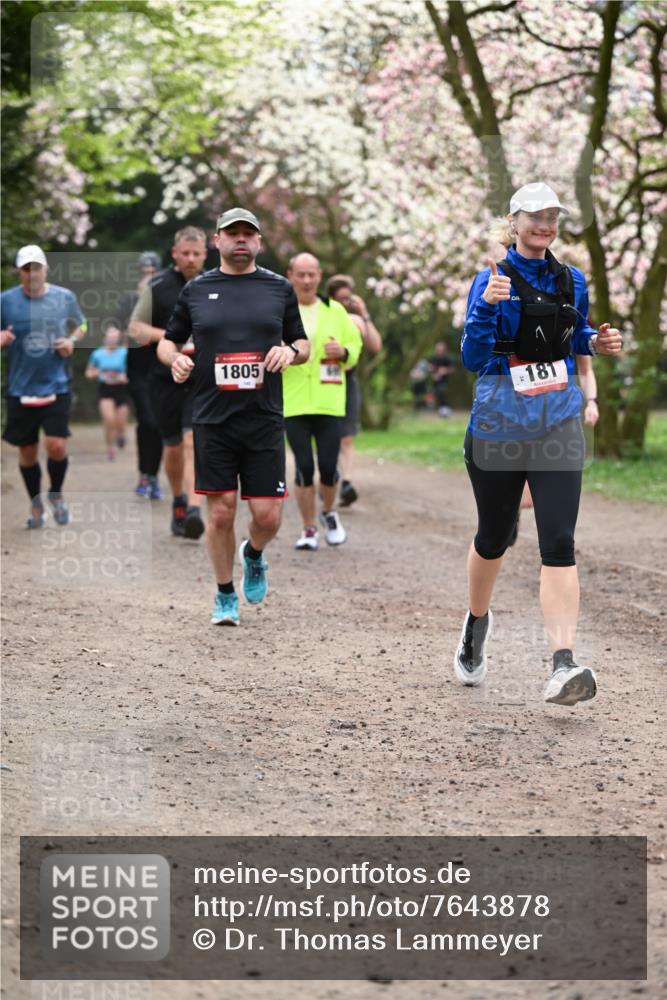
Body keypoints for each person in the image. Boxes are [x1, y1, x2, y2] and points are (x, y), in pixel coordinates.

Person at [455, 182, 622, 707]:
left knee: (558, 541)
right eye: (534, 216)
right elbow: (472, 356)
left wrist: (596, 341)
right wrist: (486, 306)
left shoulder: (572, 279)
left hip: (558, 424)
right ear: (514, 221)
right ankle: (476, 623)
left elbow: (570, 337)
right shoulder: (492, 279)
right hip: (500, 427)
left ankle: (562, 664)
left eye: (552, 216)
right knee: (495, 535)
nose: (544, 225)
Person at [157, 207, 310, 625]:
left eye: (248, 233)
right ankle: (225, 593)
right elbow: (167, 343)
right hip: (212, 417)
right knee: (221, 510)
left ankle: (253, 554)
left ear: (258, 242)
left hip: (262, 417)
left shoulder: (279, 288)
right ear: (217, 240)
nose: (240, 239)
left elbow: (302, 342)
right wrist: (174, 360)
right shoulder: (197, 289)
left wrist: (290, 351)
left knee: (268, 516)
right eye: (232, 233)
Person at [1, 244, 86, 527]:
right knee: (26, 452)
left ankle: (57, 495)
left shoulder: (64, 297)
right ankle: (35, 504)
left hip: (56, 383)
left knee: (56, 445)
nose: (31, 274)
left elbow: (82, 325)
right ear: (18, 273)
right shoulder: (6, 301)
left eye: (36, 268)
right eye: (26, 269)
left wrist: (71, 341)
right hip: (20, 387)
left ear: (46, 269)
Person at [129, 228, 207, 537]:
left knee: (193, 440)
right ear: (174, 253)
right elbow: (136, 329)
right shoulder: (157, 285)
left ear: (205, 254)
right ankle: (178, 499)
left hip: (202, 377)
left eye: (196, 254)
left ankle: (194, 509)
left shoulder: (215, 284)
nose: (190, 259)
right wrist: (172, 337)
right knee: (173, 445)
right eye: (185, 253)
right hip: (164, 376)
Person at [284, 254, 362, 549]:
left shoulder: (336, 310)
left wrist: (342, 351)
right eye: (300, 274)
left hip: (329, 400)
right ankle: (308, 528)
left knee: (328, 467)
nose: (306, 280)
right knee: (304, 466)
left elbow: (355, 345)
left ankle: (329, 513)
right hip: (293, 401)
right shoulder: (281, 310)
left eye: (311, 274)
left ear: (319, 276)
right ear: (290, 275)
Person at [510, 353, 599, 540]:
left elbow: (586, 370)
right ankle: (508, 514)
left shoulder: (573, 329)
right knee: (523, 497)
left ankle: (552, 542)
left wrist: (592, 402)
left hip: (558, 418)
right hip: (518, 417)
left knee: (536, 496)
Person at [325, 274, 382, 506]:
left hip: (348, 381)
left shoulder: (357, 320)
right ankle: (328, 479)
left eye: (349, 299)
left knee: (347, 437)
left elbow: (375, 346)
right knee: (327, 437)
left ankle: (346, 482)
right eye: (341, 299)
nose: (346, 304)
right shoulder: (323, 316)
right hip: (324, 382)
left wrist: (364, 314)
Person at [115, 251, 164, 497]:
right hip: (138, 373)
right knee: (147, 420)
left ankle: (152, 476)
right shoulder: (129, 300)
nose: (149, 278)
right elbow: (121, 331)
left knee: (158, 425)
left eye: (153, 273)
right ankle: (145, 475)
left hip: (162, 371)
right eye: (145, 273)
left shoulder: (166, 297)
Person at [85, 324, 129, 461]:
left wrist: (125, 377)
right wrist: (96, 373)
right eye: (110, 337)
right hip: (105, 389)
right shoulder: (97, 354)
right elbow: (89, 372)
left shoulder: (124, 353)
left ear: (119, 338)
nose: (112, 340)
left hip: (121, 389)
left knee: (120, 423)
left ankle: (121, 435)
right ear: (104, 338)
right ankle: (111, 448)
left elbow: (133, 372)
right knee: (109, 420)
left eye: (115, 337)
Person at [429, 340, 454, 417]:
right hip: (435, 380)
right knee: (437, 393)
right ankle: (442, 409)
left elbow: (452, 369)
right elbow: (430, 368)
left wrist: (444, 370)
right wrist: (433, 374)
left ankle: (445, 409)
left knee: (441, 392)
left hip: (444, 380)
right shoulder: (433, 358)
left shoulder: (447, 358)